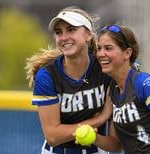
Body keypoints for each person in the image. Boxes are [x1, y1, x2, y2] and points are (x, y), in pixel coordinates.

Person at [25, 6, 112, 154]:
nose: (64, 37)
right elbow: (52, 136)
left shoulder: (104, 66)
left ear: (88, 35)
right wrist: (100, 118)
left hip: (97, 150)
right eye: (59, 32)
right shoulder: (47, 75)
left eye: (71, 29)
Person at [94, 24, 150, 154]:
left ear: (127, 53)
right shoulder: (113, 89)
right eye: (99, 48)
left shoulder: (143, 83)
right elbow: (116, 145)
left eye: (108, 48)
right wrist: (93, 138)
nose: (101, 54)